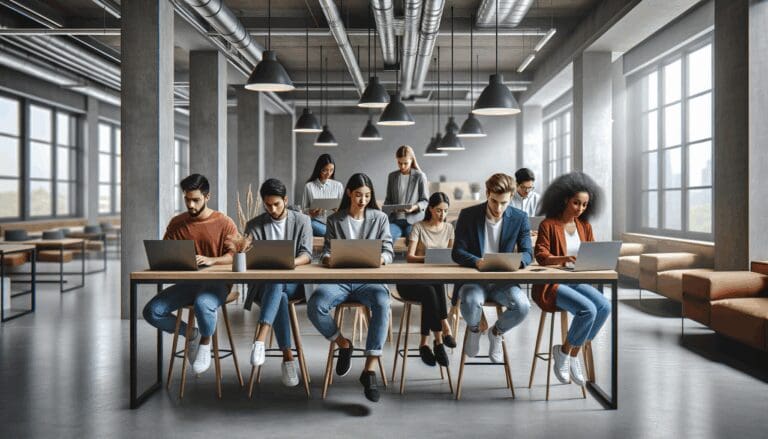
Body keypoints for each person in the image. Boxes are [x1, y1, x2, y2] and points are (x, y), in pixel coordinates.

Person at [306, 173, 393, 402]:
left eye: (367, 196)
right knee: (316, 304)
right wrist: (326, 259)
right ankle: (343, 344)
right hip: (340, 280)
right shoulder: (335, 220)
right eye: (358, 195)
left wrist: (381, 258)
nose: (363, 200)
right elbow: (326, 250)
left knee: (383, 304)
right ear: (348, 194)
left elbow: (389, 250)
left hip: (369, 280)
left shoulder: (380, 218)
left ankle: (369, 370)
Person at [142, 174, 236, 374]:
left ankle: (205, 341)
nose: (191, 205)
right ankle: (191, 334)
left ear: (207, 197)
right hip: (189, 284)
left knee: (203, 303)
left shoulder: (224, 222)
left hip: (218, 284)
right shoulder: (177, 223)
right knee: (152, 312)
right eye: (187, 199)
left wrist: (213, 260)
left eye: (196, 200)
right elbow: (166, 254)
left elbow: (235, 256)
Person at [533, 171, 610, 387]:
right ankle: (568, 354)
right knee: (588, 310)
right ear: (566, 199)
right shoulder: (548, 225)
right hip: (553, 284)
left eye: (584, 205)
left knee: (604, 306)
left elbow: (592, 251)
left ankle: (569, 352)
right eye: (576, 203)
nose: (580, 209)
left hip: (578, 281)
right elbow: (541, 256)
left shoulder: (584, 226)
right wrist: (563, 258)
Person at [452, 173, 533, 363]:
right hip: (474, 280)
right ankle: (474, 329)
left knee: (523, 307)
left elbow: (528, 252)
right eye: (494, 201)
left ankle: (496, 332)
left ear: (511, 197)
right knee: (470, 302)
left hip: (503, 282)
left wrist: (516, 262)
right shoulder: (468, 215)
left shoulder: (520, 218)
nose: (498, 208)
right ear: (487, 193)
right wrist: (476, 261)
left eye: (504, 203)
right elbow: (457, 252)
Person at [243, 178, 313, 387]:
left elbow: (307, 255)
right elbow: (247, 257)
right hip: (264, 286)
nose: (272, 209)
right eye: (268, 205)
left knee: (279, 279)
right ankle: (288, 359)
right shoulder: (254, 225)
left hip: (294, 283)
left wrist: (287, 263)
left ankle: (260, 340)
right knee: (277, 287)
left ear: (285, 199)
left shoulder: (302, 221)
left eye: (277, 204)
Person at [396, 192, 457, 367]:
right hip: (410, 280)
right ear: (430, 209)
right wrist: (430, 258)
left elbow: (451, 257)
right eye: (438, 211)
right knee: (432, 286)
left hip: (433, 283)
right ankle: (443, 329)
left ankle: (427, 343)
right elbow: (410, 257)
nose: (442, 215)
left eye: (445, 211)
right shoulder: (418, 227)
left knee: (432, 287)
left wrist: (441, 261)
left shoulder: (449, 228)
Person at [384, 145, 429, 242]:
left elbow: (425, 201)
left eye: (405, 163)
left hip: (413, 221)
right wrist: (387, 209)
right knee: (387, 238)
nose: (402, 166)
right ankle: (386, 257)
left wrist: (415, 207)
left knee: (414, 239)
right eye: (399, 163)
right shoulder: (392, 176)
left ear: (412, 160)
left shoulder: (420, 176)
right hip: (395, 221)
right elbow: (388, 200)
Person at [301, 154, 344, 237]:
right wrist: (311, 212)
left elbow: (344, 210)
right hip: (316, 222)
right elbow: (303, 211)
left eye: (331, 170)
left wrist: (338, 210)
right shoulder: (309, 186)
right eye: (325, 170)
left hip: (334, 223)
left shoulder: (338, 186)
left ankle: (333, 234)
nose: (328, 174)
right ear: (319, 169)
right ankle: (333, 235)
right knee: (310, 224)